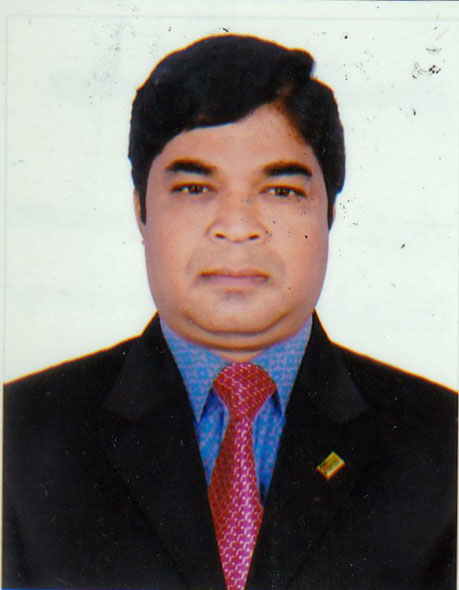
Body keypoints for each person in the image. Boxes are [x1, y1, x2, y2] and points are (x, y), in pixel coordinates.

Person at [3, 34, 456, 590]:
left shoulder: (443, 444)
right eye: (195, 188)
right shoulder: (19, 435)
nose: (238, 227)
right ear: (141, 211)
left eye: (281, 191)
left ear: (329, 213)